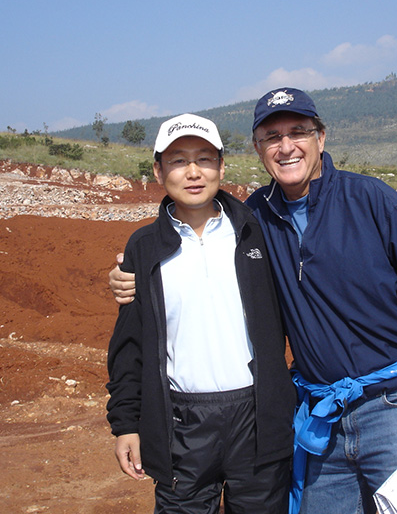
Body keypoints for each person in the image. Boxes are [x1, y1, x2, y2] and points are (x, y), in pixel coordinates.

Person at [110, 91, 397, 514]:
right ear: (258, 149)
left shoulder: (368, 200)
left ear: (321, 138)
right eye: (272, 137)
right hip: (323, 417)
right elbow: (139, 329)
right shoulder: (256, 218)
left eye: (298, 132)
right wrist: (127, 273)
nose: (286, 147)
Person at [106, 113, 296, 514]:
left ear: (222, 167)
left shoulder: (256, 232)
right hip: (181, 423)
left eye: (205, 159)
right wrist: (125, 424)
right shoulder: (144, 247)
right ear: (158, 171)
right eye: (178, 161)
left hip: (257, 417)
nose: (193, 172)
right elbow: (129, 345)